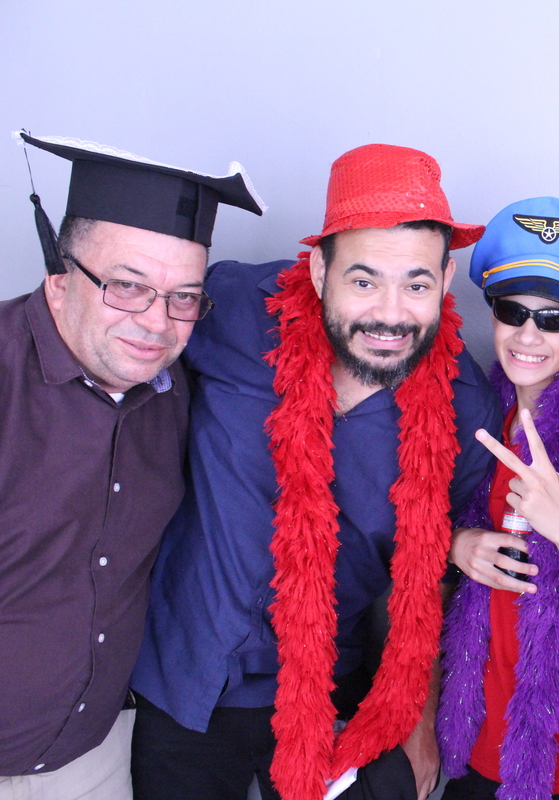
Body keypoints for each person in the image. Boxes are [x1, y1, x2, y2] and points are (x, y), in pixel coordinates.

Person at [128, 144, 503, 800]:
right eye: (364, 281)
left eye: (416, 284)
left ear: (446, 281)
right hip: (182, 680)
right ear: (319, 268)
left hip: (327, 701)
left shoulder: (465, 410)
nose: (390, 313)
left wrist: (418, 721)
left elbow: (428, 578)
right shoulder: (233, 308)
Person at [1, 132, 262, 799]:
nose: (157, 322)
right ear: (60, 280)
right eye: (127, 286)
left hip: (92, 760)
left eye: (184, 297)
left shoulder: (178, 394)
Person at [436, 197, 559, 800]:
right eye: (512, 311)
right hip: (476, 735)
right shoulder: (481, 416)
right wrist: (457, 544)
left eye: (553, 318)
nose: (527, 334)